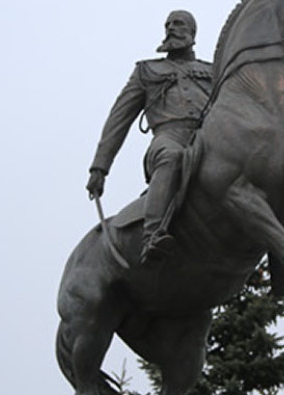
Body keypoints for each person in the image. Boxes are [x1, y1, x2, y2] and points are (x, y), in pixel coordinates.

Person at [86, 10, 212, 265]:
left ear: (192, 33)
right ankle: (152, 235)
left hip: (209, 138)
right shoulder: (146, 71)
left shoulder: (213, 70)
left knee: (262, 163)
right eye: (167, 25)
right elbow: (119, 119)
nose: (171, 28)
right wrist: (100, 166)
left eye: (178, 24)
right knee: (171, 156)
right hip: (169, 136)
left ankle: (281, 263)